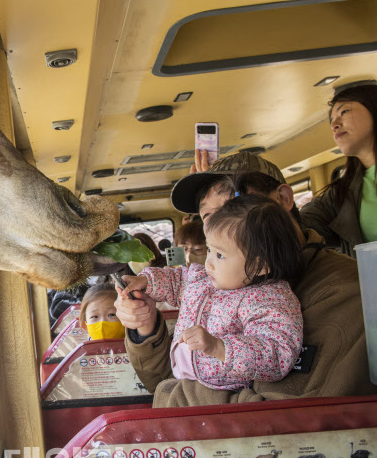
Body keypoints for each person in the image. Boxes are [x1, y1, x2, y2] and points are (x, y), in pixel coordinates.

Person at [116, 150, 374, 407]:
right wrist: (146, 327)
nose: (221, 224)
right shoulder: (219, 278)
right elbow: (163, 378)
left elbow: (281, 419)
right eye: (207, 216)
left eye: (233, 205)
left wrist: (170, 396)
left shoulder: (347, 290)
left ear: (283, 198)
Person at [121, 195, 304, 391]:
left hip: (224, 391)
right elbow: (176, 281)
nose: (208, 262)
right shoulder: (203, 278)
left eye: (219, 255)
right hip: (184, 381)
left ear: (260, 265)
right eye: (209, 250)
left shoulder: (269, 300)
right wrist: (147, 281)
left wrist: (219, 348)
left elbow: (276, 355)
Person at [300, 83, 377, 258]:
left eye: (344, 112)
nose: (334, 124)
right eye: (331, 120)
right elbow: (298, 226)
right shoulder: (339, 196)